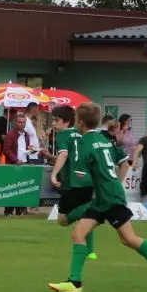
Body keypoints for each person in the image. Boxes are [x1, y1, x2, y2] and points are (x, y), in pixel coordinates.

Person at [48, 102, 147, 292]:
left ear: (81, 122)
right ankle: (74, 282)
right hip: (106, 195)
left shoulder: (85, 143)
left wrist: (62, 177)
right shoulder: (104, 139)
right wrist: (114, 182)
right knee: (79, 234)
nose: (75, 123)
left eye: (77, 120)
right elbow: (124, 162)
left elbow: (79, 171)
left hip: (108, 197)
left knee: (128, 238)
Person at [48, 105, 98, 259]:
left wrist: (54, 174)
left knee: (62, 220)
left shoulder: (63, 135)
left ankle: (95, 208)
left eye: (56, 120)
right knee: (85, 218)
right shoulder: (81, 133)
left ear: (67, 122)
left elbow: (63, 155)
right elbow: (73, 156)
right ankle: (90, 252)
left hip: (73, 183)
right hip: (87, 180)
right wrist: (50, 157)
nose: (53, 124)